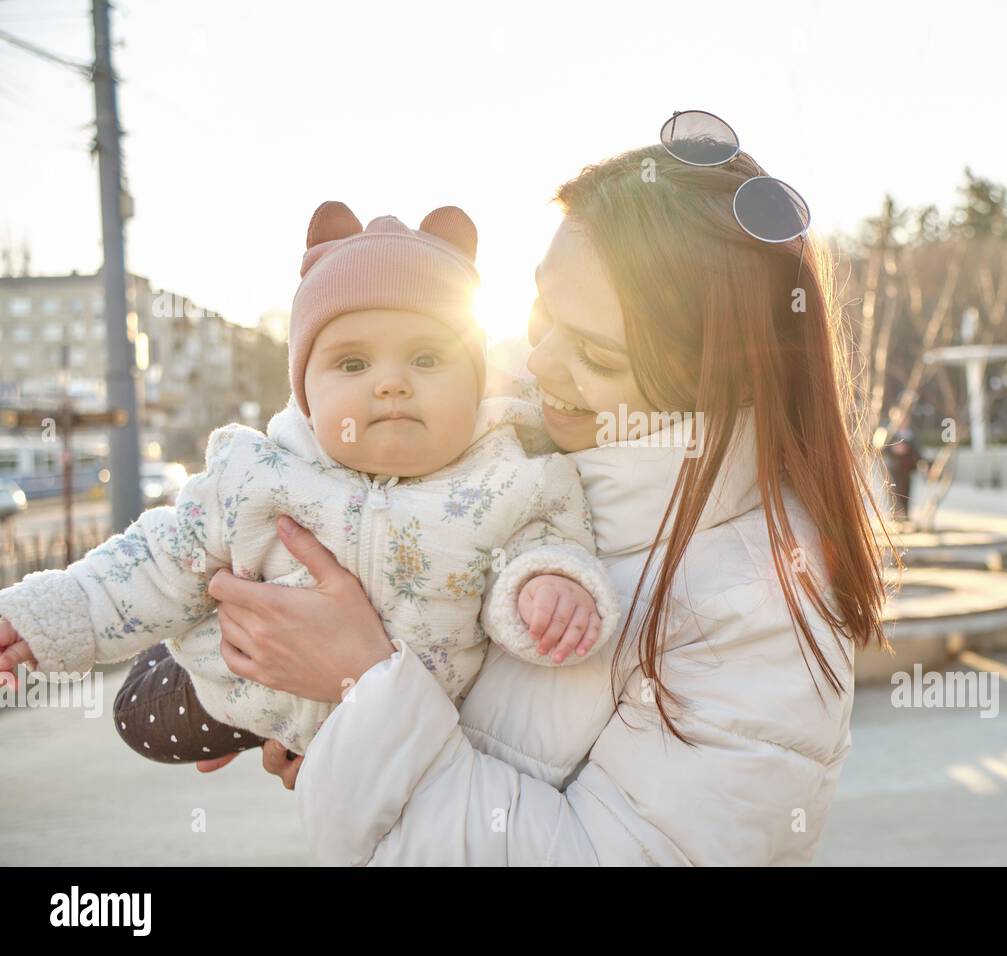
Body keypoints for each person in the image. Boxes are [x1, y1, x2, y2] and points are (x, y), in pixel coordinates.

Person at [192, 138, 889, 865]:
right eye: (540, 310)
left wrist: (365, 688)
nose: (538, 361)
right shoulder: (505, 443)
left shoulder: (762, 614)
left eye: (597, 355)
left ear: (715, 381)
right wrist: (319, 724)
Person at [0, 202, 618, 765]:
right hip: (246, 692)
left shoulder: (512, 483)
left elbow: (545, 547)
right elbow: (156, 555)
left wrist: (548, 588)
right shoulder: (259, 474)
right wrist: (53, 616)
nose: (391, 383)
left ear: (477, 379)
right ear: (306, 393)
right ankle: (184, 646)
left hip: (385, 731)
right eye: (353, 363)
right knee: (142, 717)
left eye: (427, 359)